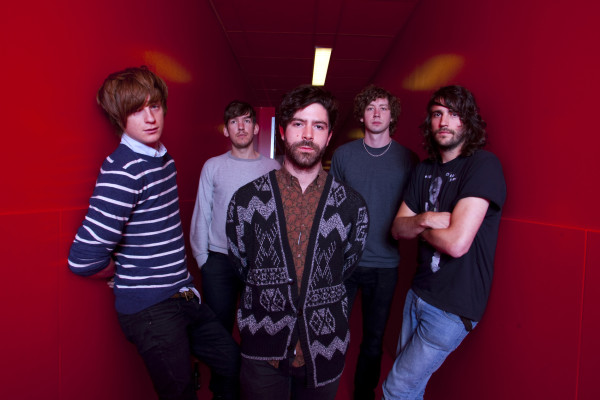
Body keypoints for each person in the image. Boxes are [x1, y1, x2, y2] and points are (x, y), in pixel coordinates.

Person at [68, 66, 239, 400]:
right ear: (120, 118)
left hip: (183, 295)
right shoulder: (123, 171)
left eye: (155, 106)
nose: (149, 118)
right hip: (150, 311)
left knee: (231, 361)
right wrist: (121, 271)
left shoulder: (163, 159)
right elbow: (83, 259)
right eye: (136, 110)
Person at [226, 85, 369, 400]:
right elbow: (239, 261)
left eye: (318, 126)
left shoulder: (352, 206)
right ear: (282, 131)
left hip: (325, 343)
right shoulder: (247, 200)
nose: (308, 134)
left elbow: (347, 264)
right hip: (263, 341)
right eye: (298, 124)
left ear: (329, 136)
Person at [381, 85, 507, 399]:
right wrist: (427, 218)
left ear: (468, 122)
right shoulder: (424, 169)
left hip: (452, 307)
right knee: (411, 386)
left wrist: (417, 226)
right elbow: (397, 228)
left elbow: (456, 244)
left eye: (454, 114)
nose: (444, 121)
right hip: (418, 293)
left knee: (396, 389)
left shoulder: (483, 166)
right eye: (438, 114)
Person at [329, 85, 417, 400]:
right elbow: (331, 209)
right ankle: (323, 386)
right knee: (333, 332)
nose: (377, 113)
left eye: (383, 107)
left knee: (374, 338)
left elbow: (415, 210)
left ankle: (363, 393)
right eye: (370, 108)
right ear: (362, 115)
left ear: (392, 115)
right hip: (345, 263)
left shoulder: (408, 158)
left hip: (385, 265)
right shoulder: (343, 155)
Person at [190, 100, 280, 334]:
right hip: (220, 261)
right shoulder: (213, 166)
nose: (241, 127)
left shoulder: (273, 169)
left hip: (260, 263)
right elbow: (203, 213)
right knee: (219, 332)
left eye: (247, 120)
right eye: (234, 121)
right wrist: (203, 260)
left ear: (256, 128)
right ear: (225, 130)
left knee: (260, 330)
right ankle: (225, 373)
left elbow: (279, 220)